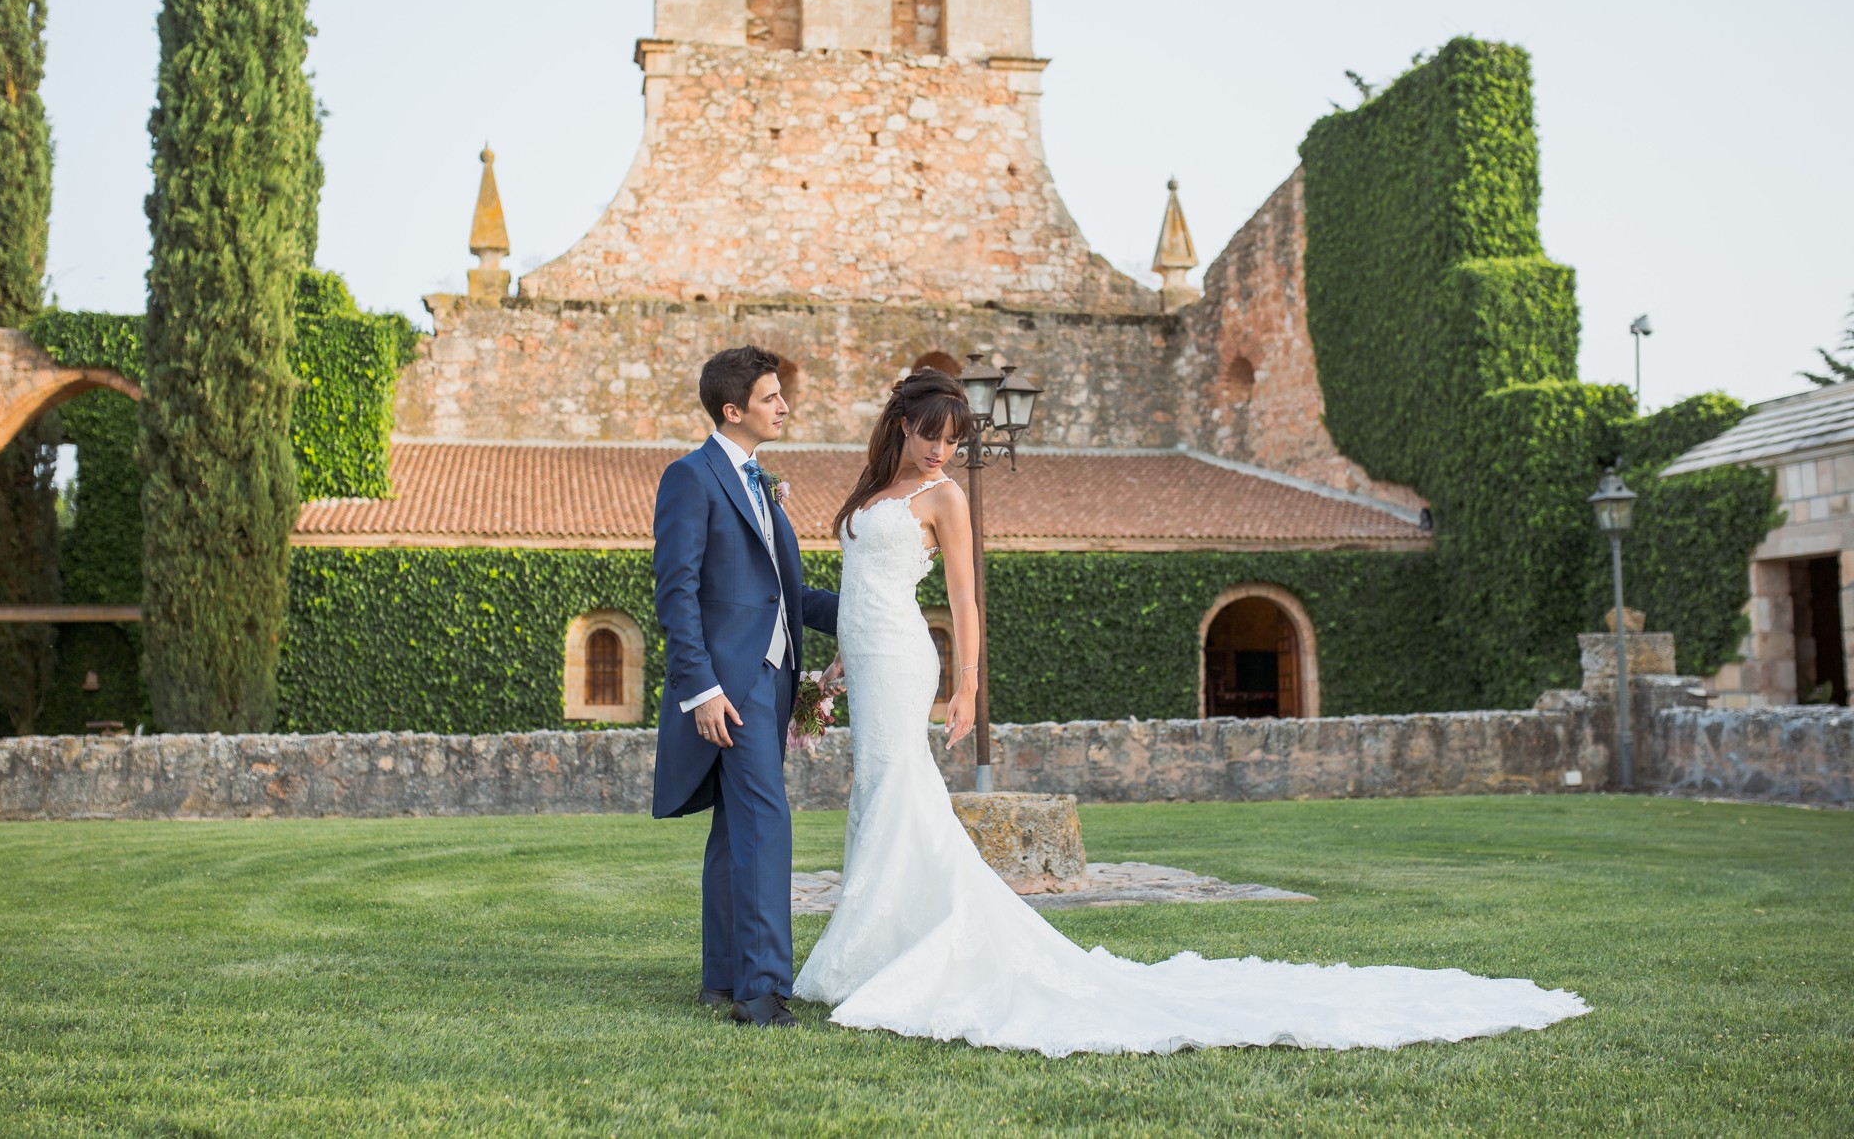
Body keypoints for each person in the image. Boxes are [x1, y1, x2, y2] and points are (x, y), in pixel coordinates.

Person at [792, 367, 1591, 1055]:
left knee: (901, 794)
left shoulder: (946, 496)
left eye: (956, 438)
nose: (943, 449)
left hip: (904, 658)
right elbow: (860, 591)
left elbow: (964, 599)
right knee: (877, 795)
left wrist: (967, 686)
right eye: (933, 434)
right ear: (903, 423)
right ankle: (878, 951)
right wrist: (834, 665)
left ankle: (895, 953)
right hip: (865, 657)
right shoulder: (872, 492)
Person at [651, 345, 840, 1029]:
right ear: (734, 410)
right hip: (731, 687)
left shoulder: (760, 483)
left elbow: (789, 595)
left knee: (737, 831)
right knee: (765, 823)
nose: (785, 406)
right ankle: (762, 991)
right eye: (770, 397)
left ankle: (724, 977)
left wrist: (869, 610)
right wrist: (700, 689)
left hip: (771, 678)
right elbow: (677, 593)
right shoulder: (691, 478)